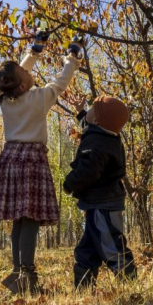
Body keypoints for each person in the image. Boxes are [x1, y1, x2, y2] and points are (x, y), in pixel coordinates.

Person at [0, 31, 83, 293]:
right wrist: (72, 57)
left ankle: (19, 272)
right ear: (20, 85)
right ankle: (27, 276)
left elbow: (17, 75)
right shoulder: (39, 98)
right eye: (26, 72)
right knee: (29, 220)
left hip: (11, 160)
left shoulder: (6, 100)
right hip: (31, 162)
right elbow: (61, 82)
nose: (30, 73)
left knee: (19, 220)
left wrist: (35, 51)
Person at [63, 94, 137, 289]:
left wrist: (70, 183)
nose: (87, 112)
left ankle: (132, 287)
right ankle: (83, 290)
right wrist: (81, 112)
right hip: (100, 203)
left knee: (112, 247)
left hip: (102, 205)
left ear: (96, 120)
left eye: (91, 110)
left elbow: (88, 171)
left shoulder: (96, 143)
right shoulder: (106, 137)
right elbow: (91, 127)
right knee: (87, 250)